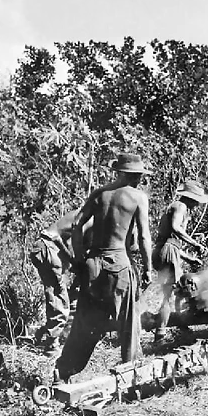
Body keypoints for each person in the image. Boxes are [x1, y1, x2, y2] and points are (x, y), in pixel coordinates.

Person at [54, 153, 153, 383]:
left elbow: (77, 224)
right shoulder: (138, 197)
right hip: (119, 266)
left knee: (84, 324)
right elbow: (145, 237)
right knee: (129, 323)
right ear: (132, 175)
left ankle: (63, 372)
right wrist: (148, 269)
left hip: (93, 264)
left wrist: (79, 259)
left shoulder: (99, 194)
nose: (140, 179)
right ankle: (131, 375)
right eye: (138, 175)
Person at [29, 210, 93, 357]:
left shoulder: (87, 214)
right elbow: (74, 244)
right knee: (59, 297)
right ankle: (51, 346)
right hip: (50, 246)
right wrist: (74, 261)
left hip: (46, 245)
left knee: (58, 295)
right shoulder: (91, 218)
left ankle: (46, 333)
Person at [152, 180, 208, 342]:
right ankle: (160, 334)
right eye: (197, 200)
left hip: (168, 249)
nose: (198, 204)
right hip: (168, 250)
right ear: (190, 197)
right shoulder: (180, 206)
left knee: (179, 290)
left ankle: (181, 324)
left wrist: (189, 258)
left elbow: (172, 242)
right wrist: (195, 243)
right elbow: (176, 229)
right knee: (169, 295)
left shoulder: (178, 206)